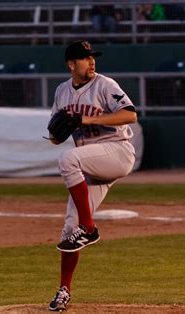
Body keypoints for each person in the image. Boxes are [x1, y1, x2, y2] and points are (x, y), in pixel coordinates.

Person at [47, 40, 137, 311]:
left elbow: (130, 115)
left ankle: (90, 228)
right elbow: (54, 136)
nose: (92, 61)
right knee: (68, 231)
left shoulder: (105, 85)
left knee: (68, 160)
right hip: (91, 164)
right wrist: (58, 131)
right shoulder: (62, 91)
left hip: (117, 152)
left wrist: (86, 120)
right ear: (71, 64)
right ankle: (64, 290)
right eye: (85, 58)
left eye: (92, 57)